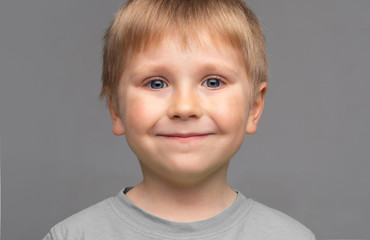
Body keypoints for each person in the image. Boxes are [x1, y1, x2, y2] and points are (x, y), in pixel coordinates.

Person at [43, 0, 316, 239]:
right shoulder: (72, 236)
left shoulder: (292, 237)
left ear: (254, 107)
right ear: (116, 109)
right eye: (156, 84)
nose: (184, 108)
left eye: (212, 81)